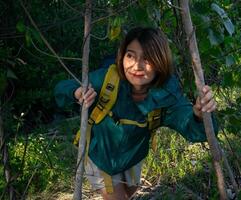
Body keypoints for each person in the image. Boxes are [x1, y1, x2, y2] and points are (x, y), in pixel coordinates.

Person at [54, 27, 217, 200]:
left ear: (160, 61)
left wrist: (200, 114)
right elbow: (62, 87)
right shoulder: (108, 79)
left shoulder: (166, 94)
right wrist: (77, 92)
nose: (136, 66)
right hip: (101, 158)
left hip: (133, 158)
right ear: (122, 56)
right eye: (130, 56)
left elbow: (189, 123)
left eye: (147, 58)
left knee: (130, 193)